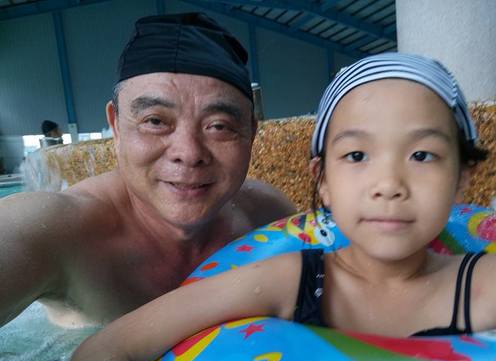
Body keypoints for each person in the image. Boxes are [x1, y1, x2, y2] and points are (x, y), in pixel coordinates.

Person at [42, 53, 496, 361]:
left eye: (423, 156)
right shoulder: (292, 280)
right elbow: (109, 349)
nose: (389, 184)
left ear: (462, 181)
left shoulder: (492, 284)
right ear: (323, 182)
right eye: (357, 156)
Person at [0, 13, 295, 329]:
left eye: (219, 126)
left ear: (251, 132)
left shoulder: (268, 216)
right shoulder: (59, 233)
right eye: (155, 121)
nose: (188, 154)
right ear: (116, 126)